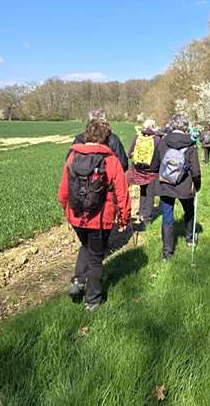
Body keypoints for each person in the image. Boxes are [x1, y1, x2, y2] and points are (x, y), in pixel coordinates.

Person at [58, 119, 131, 311]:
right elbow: (122, 193)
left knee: (86, 246)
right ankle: (93, 301)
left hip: (76, 215)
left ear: (86, 135)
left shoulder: (73, 157)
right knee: (96, 257)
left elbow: (63, 192)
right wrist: (124, 217)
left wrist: (68, 211)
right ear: (106, 137)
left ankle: (78, 280)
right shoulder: (111, 160)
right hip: (101, 219)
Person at [150, 114, 201, 261]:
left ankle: (167, 253)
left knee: (167, 216)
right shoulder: (190, 145)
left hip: (165, 185)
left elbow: (154, 166)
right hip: (185, 186)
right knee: (189, 211)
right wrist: (197, 186)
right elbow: (196, 171)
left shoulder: (162, 142)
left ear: (172, 126)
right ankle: (190, 239)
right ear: (185, 127)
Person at [127, 119, 161, 226]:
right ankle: (147, 219)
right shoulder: (157, 139)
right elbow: (160, 155)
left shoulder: (138, 137)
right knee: (150, 194)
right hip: (152, 171)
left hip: (139, 170)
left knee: (142, 191)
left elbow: (129, 153)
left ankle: (141, 213)